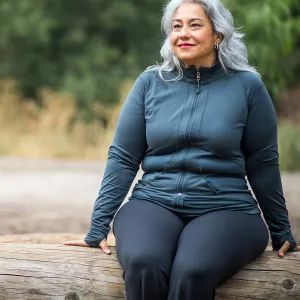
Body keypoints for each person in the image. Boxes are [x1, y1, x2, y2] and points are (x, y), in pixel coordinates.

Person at [64, 0, 300, 299]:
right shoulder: (150, 83)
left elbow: (263, 163)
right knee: (144, 262)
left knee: (193, 270)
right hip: (154, 201)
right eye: (177, 26)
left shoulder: (247, 87)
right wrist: (97, 227)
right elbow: (123, 158)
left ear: (218, 35)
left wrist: (281, 231)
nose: (183, 33)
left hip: (227, 207)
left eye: (195, 24)